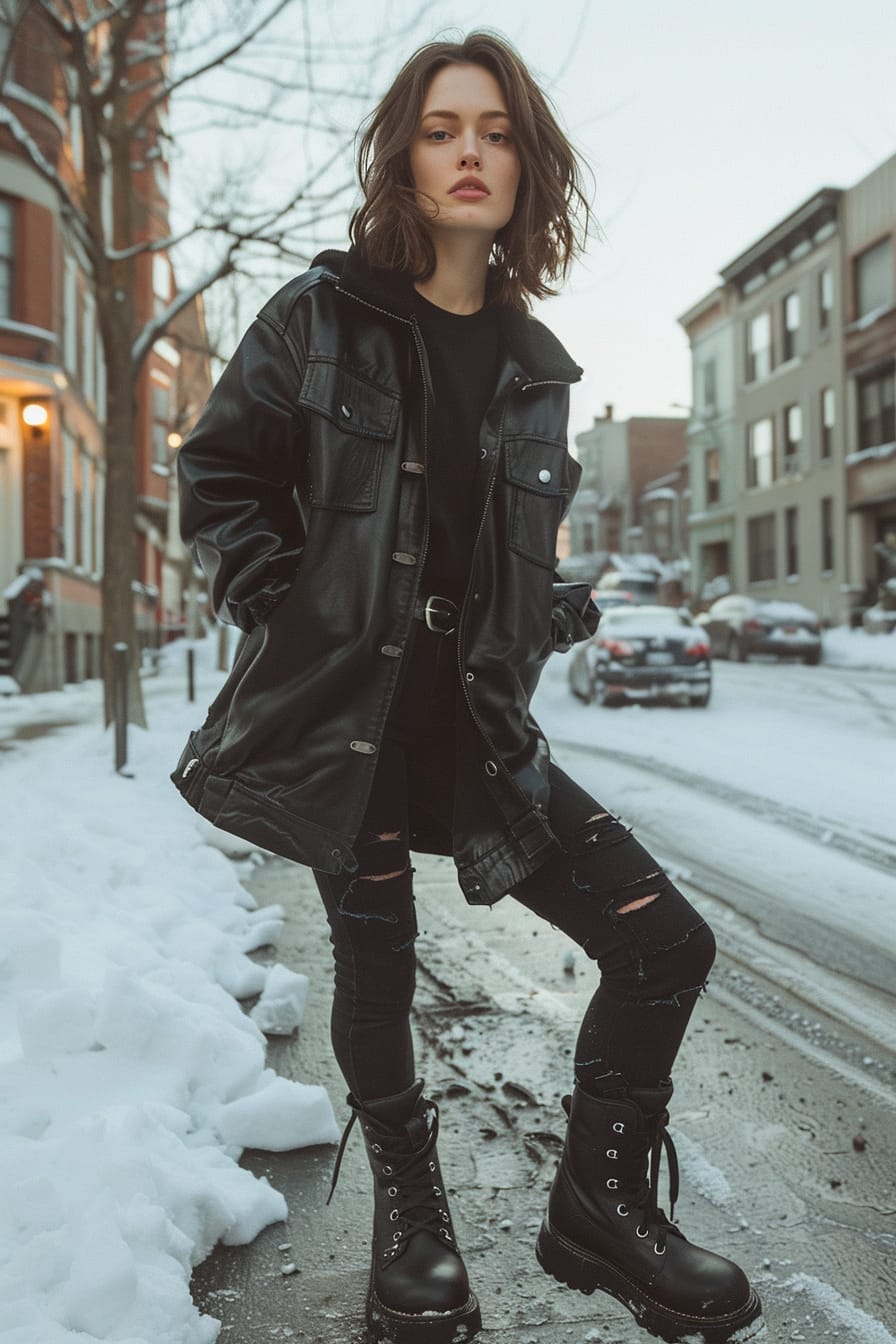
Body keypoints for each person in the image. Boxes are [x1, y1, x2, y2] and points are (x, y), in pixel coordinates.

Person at [172, 31, 763, 1344]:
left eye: (495, 131)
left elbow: (488, 552)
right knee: (377, 969)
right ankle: (414, 1235)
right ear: (405, 156)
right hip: (350, 719)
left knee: (664, 941)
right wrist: (292, 608)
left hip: (481, 729)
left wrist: (544, 608)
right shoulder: (317, 318)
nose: (471, 153)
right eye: (444, 129)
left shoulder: (539, 370)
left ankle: (600, 1211)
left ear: (525, 162)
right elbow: (216, 476)